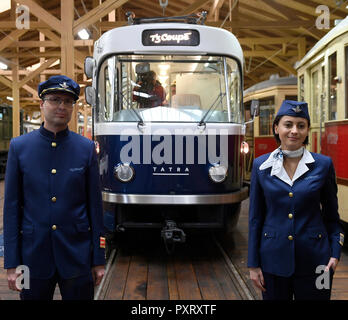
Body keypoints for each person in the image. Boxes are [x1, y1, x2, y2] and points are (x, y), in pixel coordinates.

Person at [3, 75, 105, 300]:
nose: (62, 106)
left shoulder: (85, 148)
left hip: (77, 254)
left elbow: (95, 208)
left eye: (68, 101)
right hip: (32, 256)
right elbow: (11, 209)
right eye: (55, 99)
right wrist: (11, 263)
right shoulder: (20, 147)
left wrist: (98, 259)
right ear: (42, 104)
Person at [248, 100, 345, 300]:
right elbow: (255, 219)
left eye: (301, 126)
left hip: (319, 263)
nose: (294, 131)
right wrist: (253, 264)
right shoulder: (261, 166)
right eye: (288, 124)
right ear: (276, 128)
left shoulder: (323, 165)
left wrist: (335, 254)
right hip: (272, 262)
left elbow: (332, 217)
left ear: (307, 130)